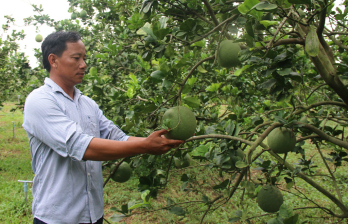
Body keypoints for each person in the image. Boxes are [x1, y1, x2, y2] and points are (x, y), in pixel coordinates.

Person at [22, 31, 184, 224]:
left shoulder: (88, 104)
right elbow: (81, 147)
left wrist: (158, 141)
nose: (84, 64)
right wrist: (146, 146)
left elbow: (118, 137)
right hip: (57, 218)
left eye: (84, 58)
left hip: (93, 215)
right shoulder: (39, 100)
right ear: (53, 60)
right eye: (76, 58)